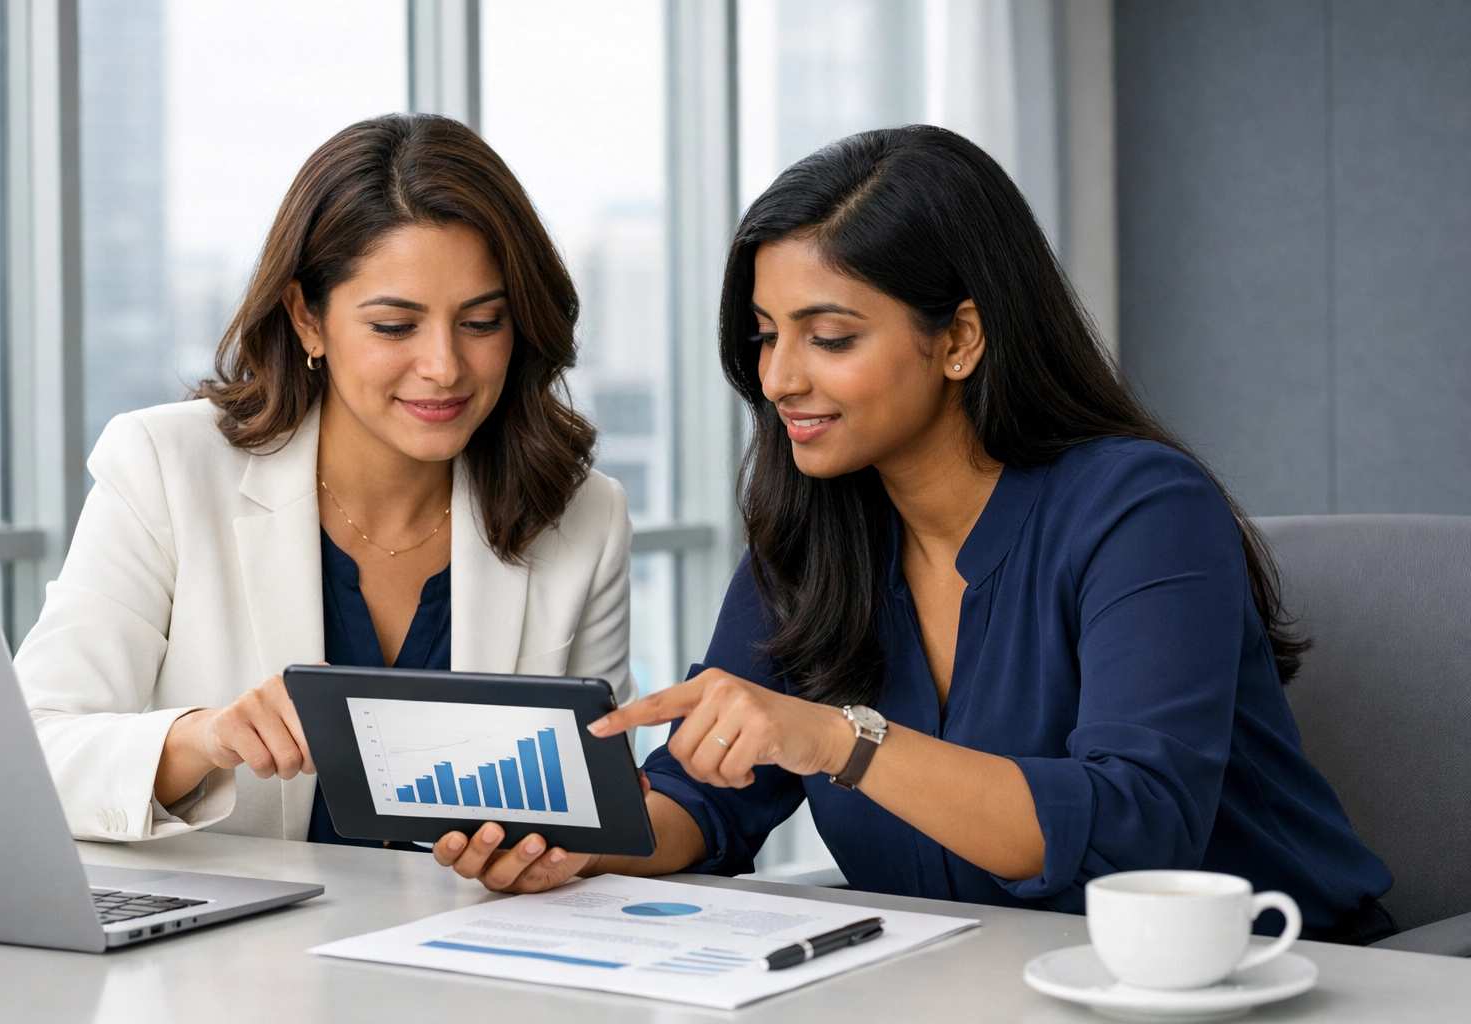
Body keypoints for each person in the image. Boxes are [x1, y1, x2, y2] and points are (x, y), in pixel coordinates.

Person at [433, 125, 1396, 944]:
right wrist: (563, 843)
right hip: (977, 985)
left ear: (961, 338)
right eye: (767, 334)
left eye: (831, 337)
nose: (779, 379)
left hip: (1277, 985)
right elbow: (709, 799)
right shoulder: (814, 529)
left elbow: (1134, 835)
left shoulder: (1143, 508)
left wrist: (840, 739)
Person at [16, 114, 635, 846]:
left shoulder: (582, 515)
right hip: (232, 955)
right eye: (395, 326)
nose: (444, 365)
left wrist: (555, 855)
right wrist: (202, 739)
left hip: (472, 943)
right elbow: (32, 753)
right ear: (308, 319)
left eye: (481, 322)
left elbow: (601, 816)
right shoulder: (163, 466)